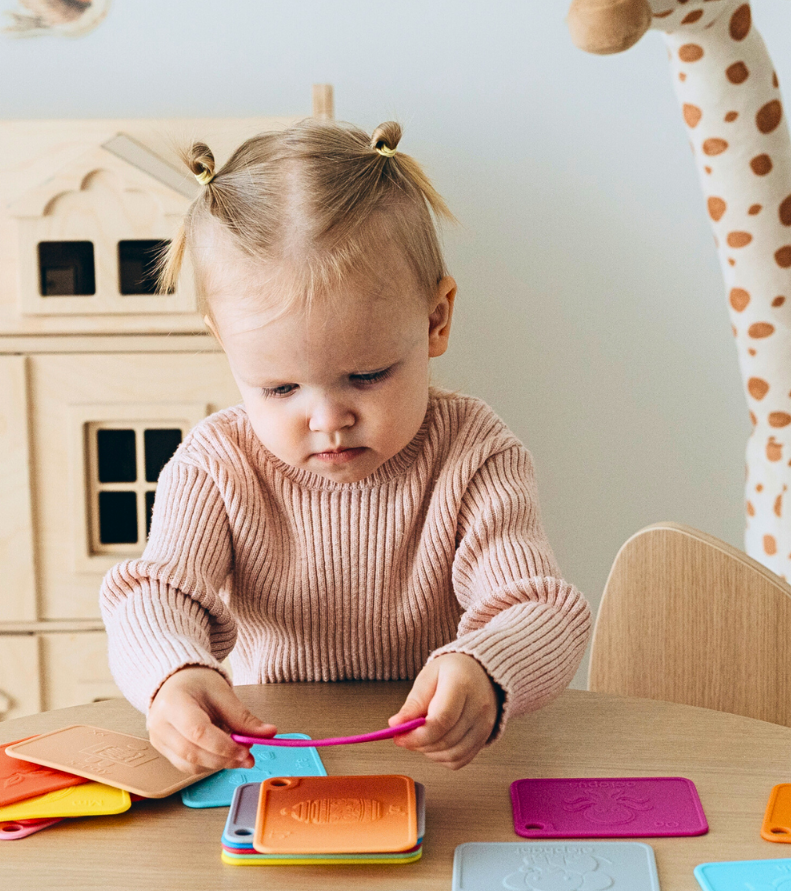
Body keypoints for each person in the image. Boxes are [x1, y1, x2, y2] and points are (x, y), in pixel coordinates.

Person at [101, 118, 591, 773]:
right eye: (279, 388)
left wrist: (486, 665)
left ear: (436, 320)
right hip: (272, 757)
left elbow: (540, 608)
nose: (328, 419)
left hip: (437, 762)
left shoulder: (477, 455)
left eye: (366, 376)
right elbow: (155, 598)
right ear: (224, 340)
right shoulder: (216, 465)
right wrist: (170, 676)